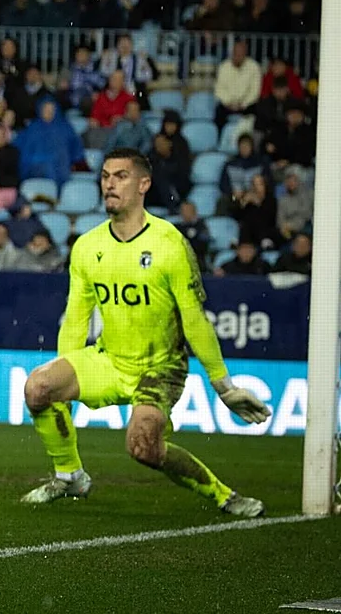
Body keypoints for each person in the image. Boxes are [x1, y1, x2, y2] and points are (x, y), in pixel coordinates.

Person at [20, 148, 269, 516]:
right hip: (109, 359)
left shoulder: (170, 244)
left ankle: (224, 496)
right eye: (105, 176)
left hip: (161, 367)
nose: (109, 184)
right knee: (38, 387)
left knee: (143, 447)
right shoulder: (88, 246)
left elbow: (194, 320)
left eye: (120, 176)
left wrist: (224, 386)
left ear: (144, 184)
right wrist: (64, 368)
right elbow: (76, 317)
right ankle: (69, 474)